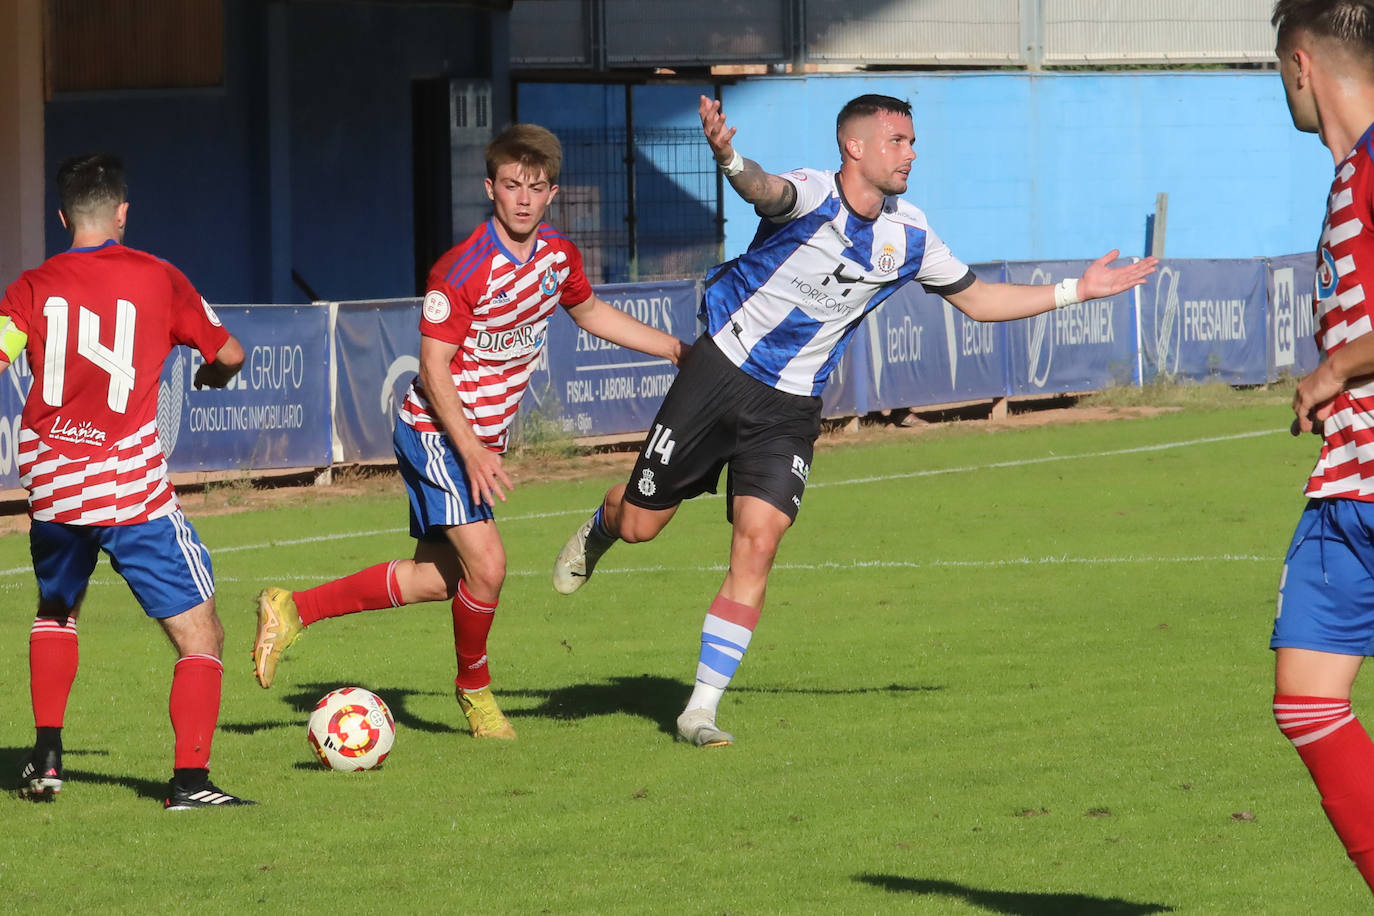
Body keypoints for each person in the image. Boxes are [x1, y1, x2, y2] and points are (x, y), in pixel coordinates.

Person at [552, 93, 1158, 748]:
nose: (911, 153)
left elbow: (979, 300)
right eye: (897, 140)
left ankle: (699, 709)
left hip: (789, 408)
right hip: (718, 373)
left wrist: (1076, 291)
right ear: (856, 147)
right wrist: (728, 159)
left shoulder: (911, 235)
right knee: (642, 525)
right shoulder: (812, 196)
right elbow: (766, 189)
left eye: (912, 141)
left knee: (759, 540)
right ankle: (602, 526)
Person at [252, 124, 688, 739]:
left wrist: (672, 348)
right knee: (489, 566)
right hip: (438, 432)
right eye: (512, 185)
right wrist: (474, 450)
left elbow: (588, 311)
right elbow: (432, 371)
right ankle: (475, 694)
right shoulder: (459, 271)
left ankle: (293, 609)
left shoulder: (558, 258)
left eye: (536, 188)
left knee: (441, 577)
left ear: (552, 194)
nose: (523, 199)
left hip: (478, 443)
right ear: (490, 188)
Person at [0, 153, 252, 809]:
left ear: (62, 217)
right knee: (202, 636)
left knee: (59, 611)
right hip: (128, 484)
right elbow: (229, 354)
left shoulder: (30, 287)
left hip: (55, 482)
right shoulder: (158, 278)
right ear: (121, 213)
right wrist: (212, 375)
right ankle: (190, 784)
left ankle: (48, 758)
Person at [1271, 0, 1374, 895]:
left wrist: (1332, 367)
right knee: (1305, 700)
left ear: (1302, 65)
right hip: (1348, 485)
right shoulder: (1345, 178)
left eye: (1278, 74)